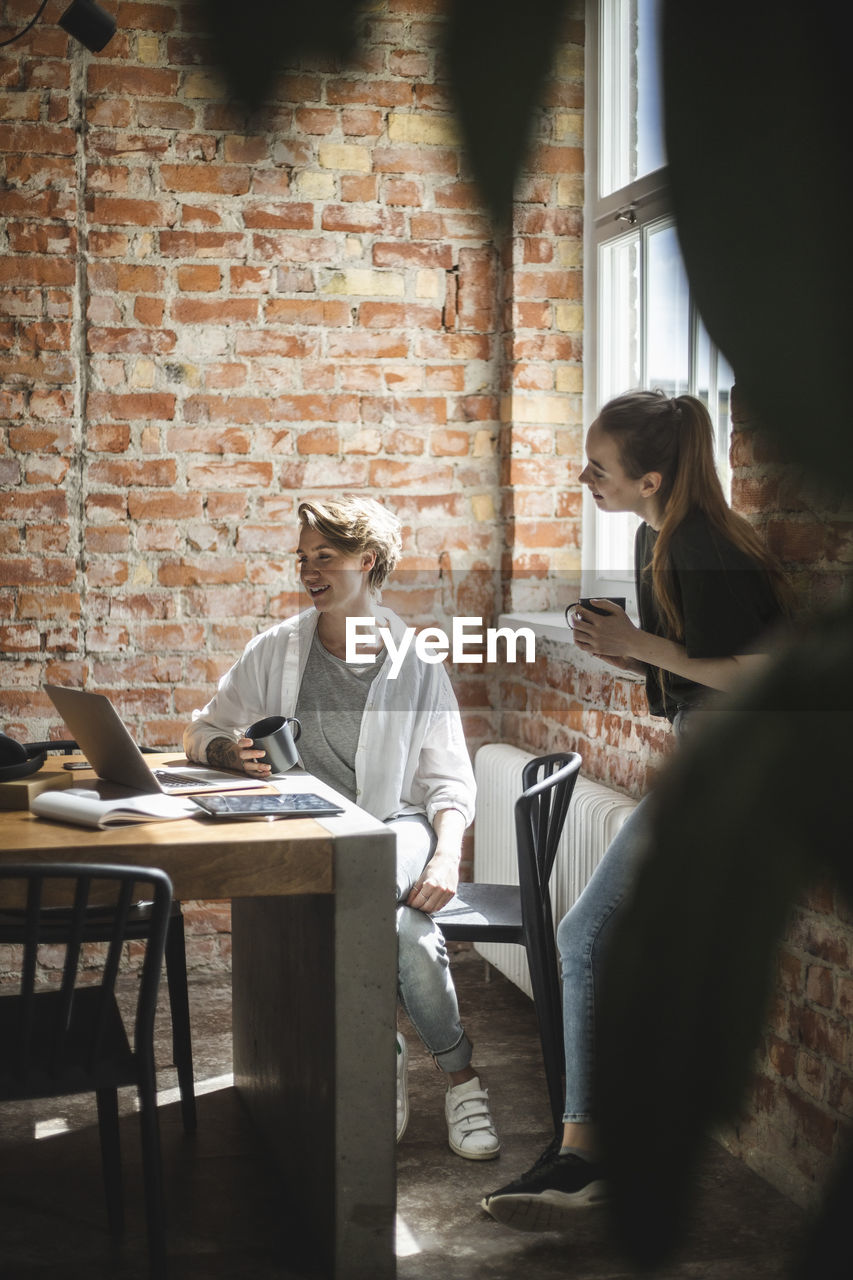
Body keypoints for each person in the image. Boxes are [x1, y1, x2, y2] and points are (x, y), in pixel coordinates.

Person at [481, 389, 790, 1228]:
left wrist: (640, 646)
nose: (583, 477)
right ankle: (600, 1147)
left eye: (598, 467)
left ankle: (590, 1155)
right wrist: (620, 647)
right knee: (618, 946)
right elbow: (689, 670)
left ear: (650, 476)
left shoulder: (697, 541)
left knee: (583, 938)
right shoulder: (657, 534)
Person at [184, 494, 500, 1161]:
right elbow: (204, 727)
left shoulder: (416, 661)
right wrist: (224, 751)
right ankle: (458, 1076)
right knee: (406, 933)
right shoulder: (276, 651)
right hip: (311, 830)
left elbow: (449, 783)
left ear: (369, 560)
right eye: (302, 558)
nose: (308, 570)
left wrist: (446, 861)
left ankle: (378, 1060)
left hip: (398, 827)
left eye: (324, 556)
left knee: (367, 876)